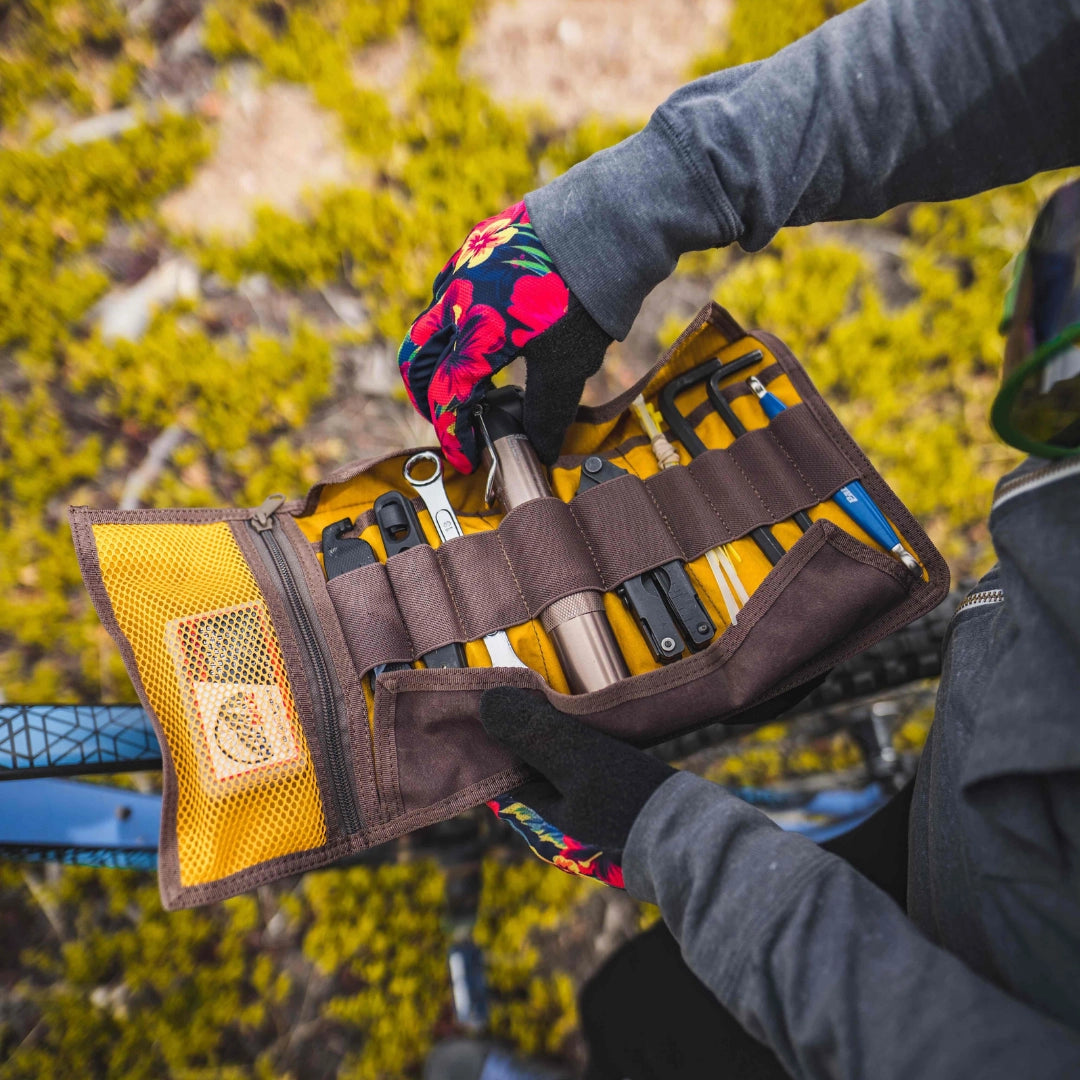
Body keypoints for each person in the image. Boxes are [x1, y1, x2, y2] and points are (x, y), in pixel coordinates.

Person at [401, 0, 1080, 1076]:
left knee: (649, 1023)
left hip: (978, 981)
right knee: (649, 1000)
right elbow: (1037, 34)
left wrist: (680, 843)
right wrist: (654, 195)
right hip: (1005, 786)